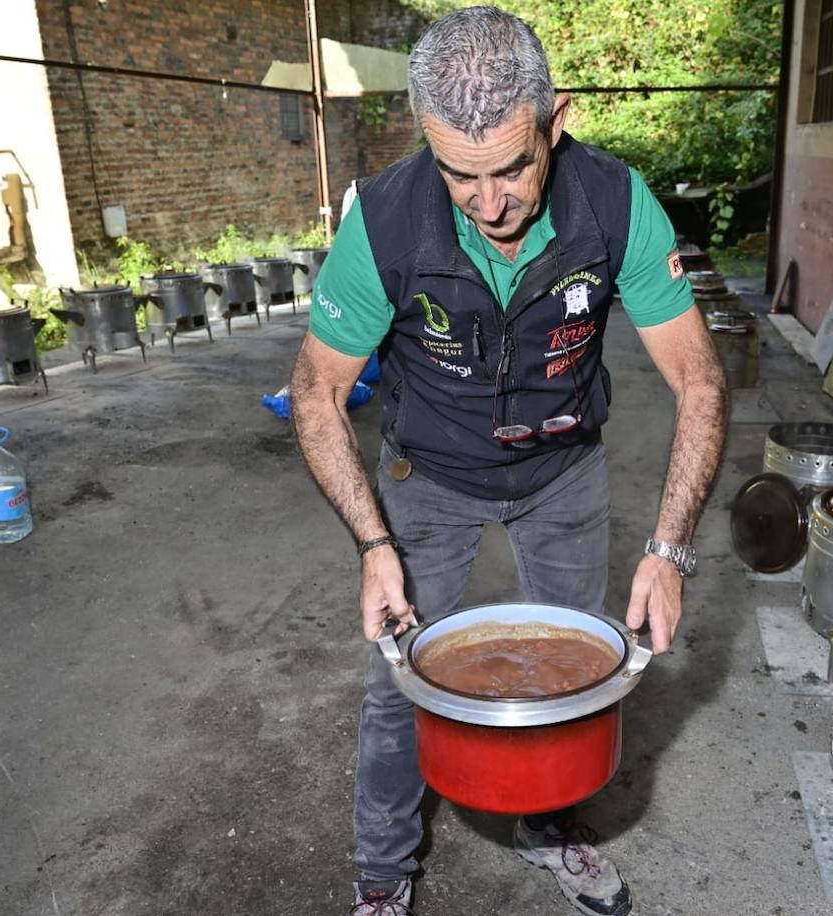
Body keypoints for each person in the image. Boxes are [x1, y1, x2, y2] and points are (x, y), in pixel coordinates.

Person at [290, 7, 728, 915]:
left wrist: (671, 549)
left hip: (562, 467)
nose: (489, 204)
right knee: (396, 681)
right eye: (461, 175)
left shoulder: (615, 204)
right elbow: (316, 393)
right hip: (431, 474)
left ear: (555, 121)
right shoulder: (382, 222)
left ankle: (552, 828)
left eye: (513, 169)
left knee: (577, 670)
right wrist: (374, 543)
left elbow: (700, 384)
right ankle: (382, 874)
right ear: (428, 142)